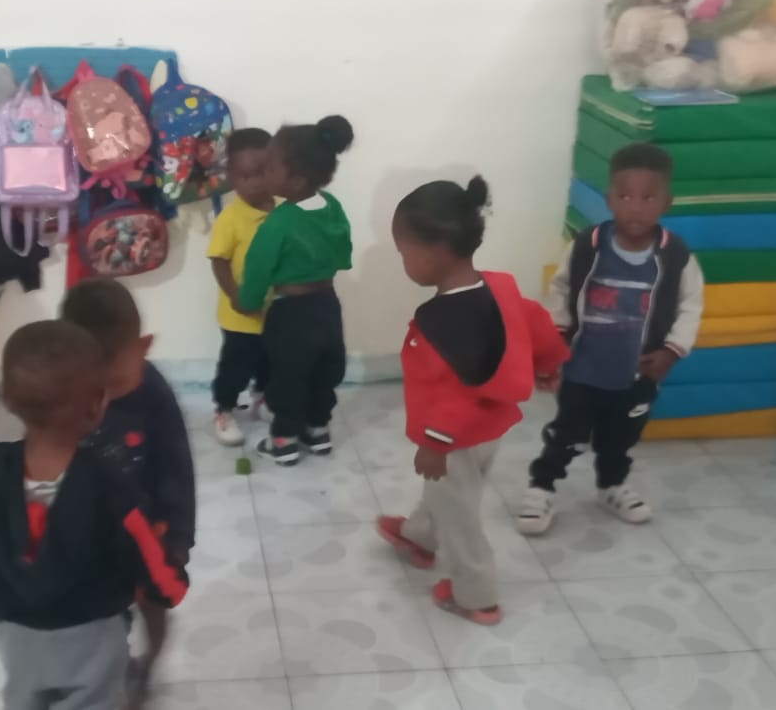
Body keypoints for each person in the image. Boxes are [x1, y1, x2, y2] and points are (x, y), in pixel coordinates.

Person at [0, 320, 189, 710]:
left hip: (15, 629)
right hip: (91, 633)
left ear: (5, 398)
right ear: (98, 404)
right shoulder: (112, 484)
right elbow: (147, 554)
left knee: (24, 695)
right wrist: (171, 587)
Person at [373, 177, 569, 625]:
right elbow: (537, 323)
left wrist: (434, 444)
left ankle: (477, 596)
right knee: (450, 496)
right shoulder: (498, 288)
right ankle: (420, 535)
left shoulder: (439, 324)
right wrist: (548, 365)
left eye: (402, 251)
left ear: (431, 254)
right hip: (489, 428)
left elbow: (454, 395)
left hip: (454, 438)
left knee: (460, 517)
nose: (403, 261)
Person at [516, 143, 705, 535]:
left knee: (620, 439)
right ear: (609, 200)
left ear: (666, 203)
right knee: (567, 434)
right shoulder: (588, 246)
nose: (635, 207)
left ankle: (611, 486)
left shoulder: (675, 256)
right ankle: (542, 486)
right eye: (625, 196)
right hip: (583, 369)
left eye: (648, 197)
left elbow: (691, 304)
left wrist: (672, 351)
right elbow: (561, 289)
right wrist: (555, 341)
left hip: (637, 375)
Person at [60, 279, 194, 706]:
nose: (104, 398)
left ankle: (147, 664)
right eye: (94, 383)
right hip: (94, 542)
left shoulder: (156, 398)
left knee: (154, 609)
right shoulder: (67, 393)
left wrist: (177, 539)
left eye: (115, 383)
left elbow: (178, 471)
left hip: (151, 536)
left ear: (143, 346)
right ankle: (109, 675)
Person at [236, 115, 355, 466]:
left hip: (291, 312)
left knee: (288, 374)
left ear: (297, 179)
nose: (264, 173)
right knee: (324, 369)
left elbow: (258, 265)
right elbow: (343, 248)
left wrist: (248, 300)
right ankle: (317, 430)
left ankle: (284, 439)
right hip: (327, 305)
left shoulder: (280, 220)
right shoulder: (331, 206)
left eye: (271, 167)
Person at [206, 128, 277, 446]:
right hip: (240, 316)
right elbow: (218, 261)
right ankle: (224, 408)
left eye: (262, 173)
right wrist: (235, 294)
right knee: (235, 367)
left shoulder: (284, 211)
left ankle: (262, 397)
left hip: (275, 310)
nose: (255, 183)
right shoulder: (230, 219)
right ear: (232, 177)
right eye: (245, 176)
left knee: (271, 361)